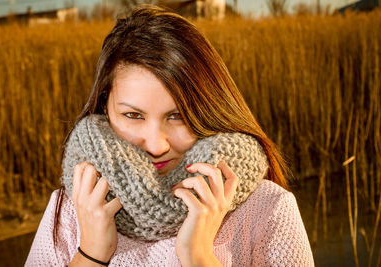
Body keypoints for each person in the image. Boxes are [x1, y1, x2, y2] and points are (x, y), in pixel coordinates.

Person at [26, 5, 314, 267]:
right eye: (133, 116)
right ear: (105, 108)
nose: (155, 145)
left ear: (209, 111)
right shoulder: (73, 206)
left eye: (177, 116)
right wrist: (91, 254)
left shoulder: (267, 208)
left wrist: (199, 256)